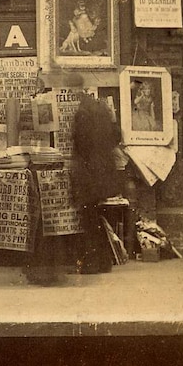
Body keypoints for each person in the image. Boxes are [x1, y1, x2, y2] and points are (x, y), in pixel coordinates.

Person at [71, 80, 121, 274]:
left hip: (89, 173)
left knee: (89, 218)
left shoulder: (83, 114)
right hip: (104, 171)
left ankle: (94, 262)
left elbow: (81, 144)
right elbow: (116, 136)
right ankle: (104, 260)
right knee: (96, 217)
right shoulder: (103, 111)